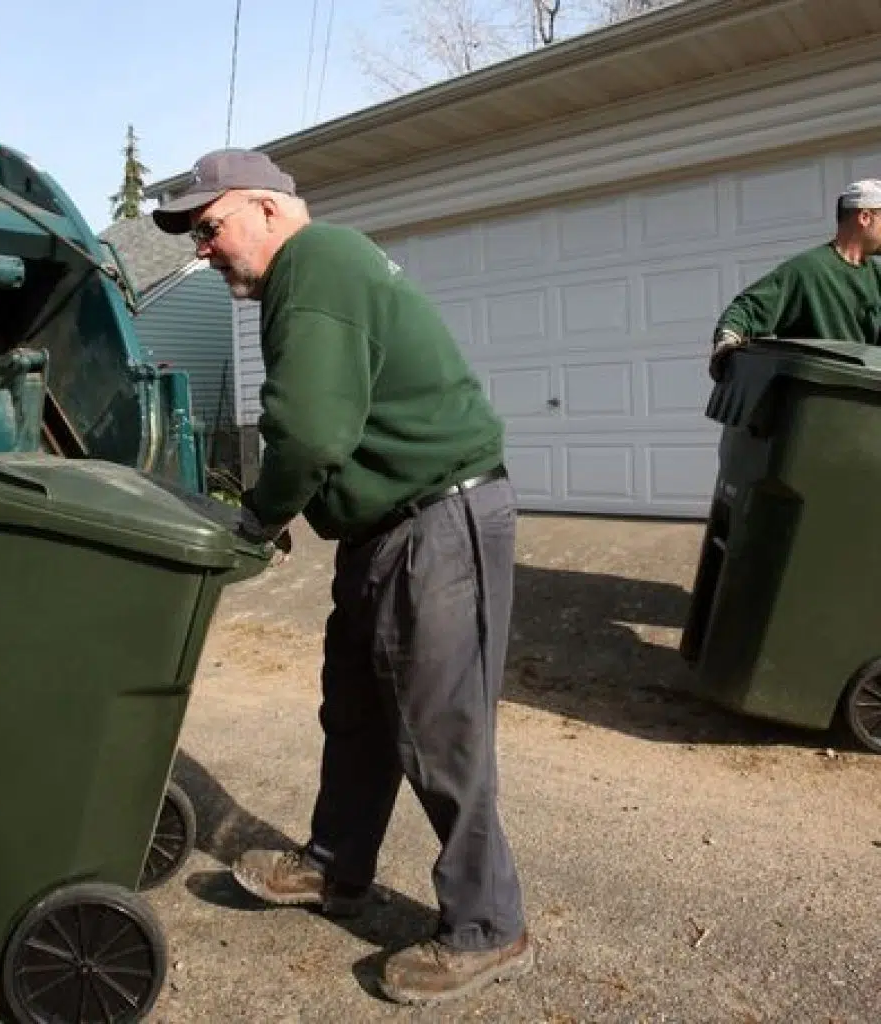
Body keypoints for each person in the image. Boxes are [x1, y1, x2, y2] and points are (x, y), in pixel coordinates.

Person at [153, 149, 532, 1005]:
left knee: (441, 731)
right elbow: (330, 426)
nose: (203, 250)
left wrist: (262, 514)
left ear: (270, 209)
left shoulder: (316, 261)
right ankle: (336, 868)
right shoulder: (310, 274)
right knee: (357, 713)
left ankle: (488, 925)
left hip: (437, 522)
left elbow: (311, 428)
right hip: (382, 529)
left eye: (210, 227)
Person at [710, 178, 881, 380]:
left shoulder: (876, 277)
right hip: (821, 396)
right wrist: (727, 341)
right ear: (865, 217)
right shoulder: (808, 271)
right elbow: (747, 308)